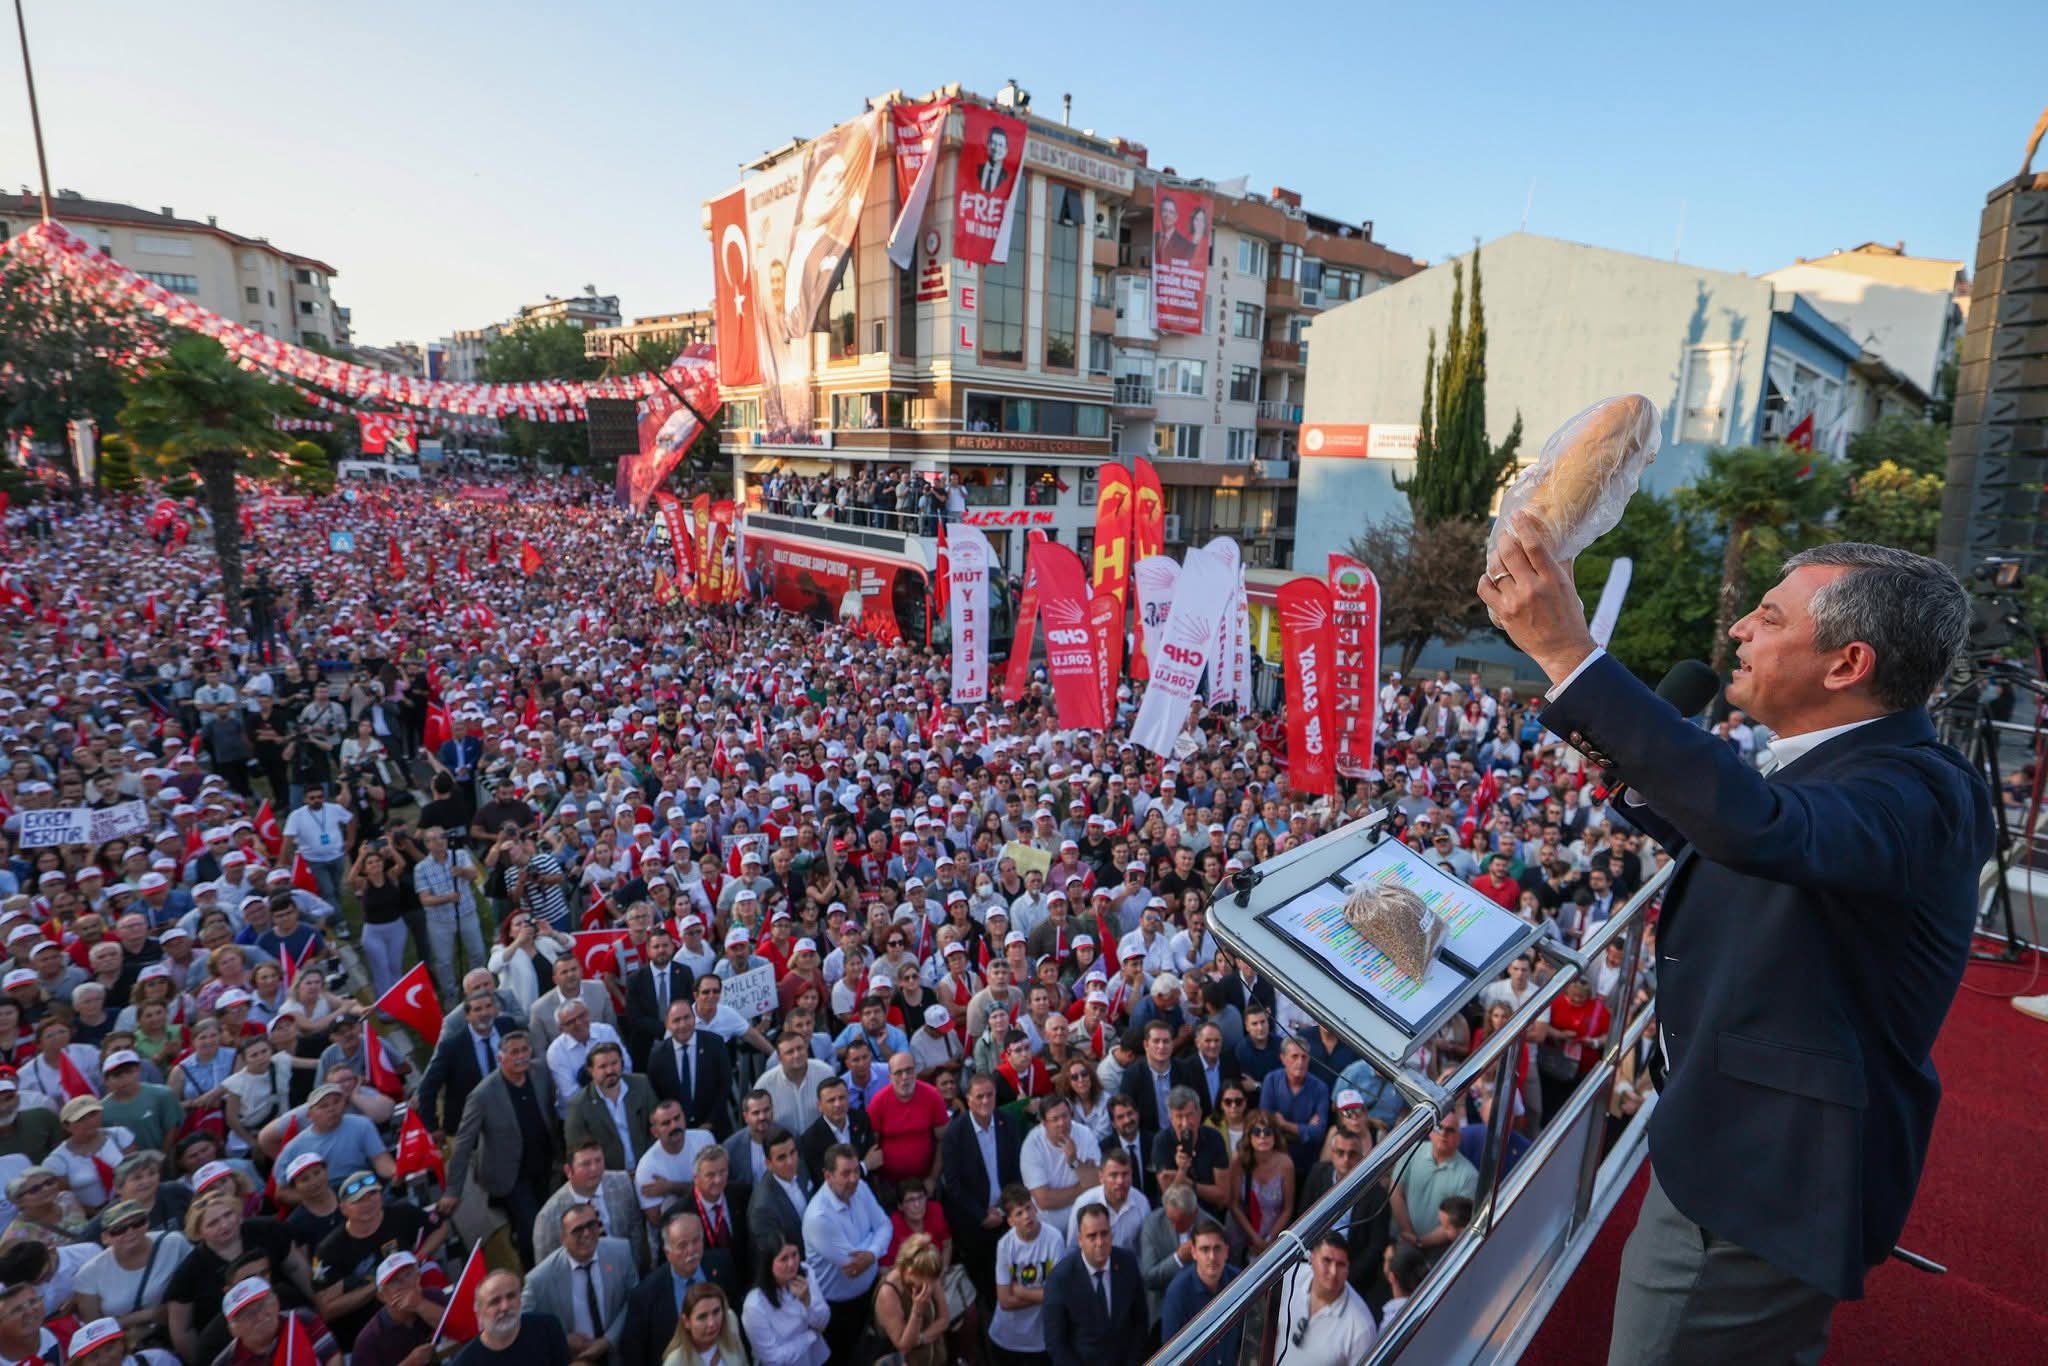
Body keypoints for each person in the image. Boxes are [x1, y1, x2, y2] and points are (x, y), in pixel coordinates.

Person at [1485, 530, 1994, 1359]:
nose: (1739, 631)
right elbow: (1766, 850)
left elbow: (1766, 830)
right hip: (1753, 1155)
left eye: (1769, 616)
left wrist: (1573, 657)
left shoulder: (1920, 790)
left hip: (1758, 1181)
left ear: (1847, 664)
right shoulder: (1860, 770)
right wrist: (1629, 758)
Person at [441, 1029, 558, 1268]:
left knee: (551, 1220)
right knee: (530, 1228)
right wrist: (453, 1190)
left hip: (546, 1164)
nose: (521, 1057)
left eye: (524, 1050)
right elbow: (463, 1142)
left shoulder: (542, 1073)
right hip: (510, 1174)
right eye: (514, 1052)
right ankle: (532, 1271)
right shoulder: (483, 1095)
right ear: (500, 1058)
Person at [800, 1144, 891, 1359]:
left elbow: (885, 1225)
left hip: (870, 1295)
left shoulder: (862, 1189)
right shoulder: (818, 1216)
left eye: (856, 1171)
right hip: (839, 1311)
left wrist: (871, 1253)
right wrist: (874, 1242)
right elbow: (853, 1264)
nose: (854, 1179)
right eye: (846, 1173)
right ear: (828, 1176)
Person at [522, 1204, 634, 1363]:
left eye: (591, 1225)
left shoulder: (621, 1251)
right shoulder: (540, 1279)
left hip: (620, 1354)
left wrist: (608, 1340)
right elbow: (524, 1325)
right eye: (577, 1230)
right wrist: (562, 1339)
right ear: (563, 1239)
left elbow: (633, 1301)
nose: (587, 1233)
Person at [1042, 1202, 1145, 1366]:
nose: (1100, 1242)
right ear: (1080, 1240)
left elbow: (1140, 1322)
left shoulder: (1128, 1264)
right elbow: (1056, 1342)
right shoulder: (1061, 1279)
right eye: (1092, 1236)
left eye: (1104, 1233)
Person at [621, 1211, 710, 1366]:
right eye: (682, 1245)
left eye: (696, 1241)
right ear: (668, 1252)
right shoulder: (645, 1295)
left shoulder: (722, 1266)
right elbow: (634, 1355)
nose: (691, 1250)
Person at [990, 1183, 1064, 1366]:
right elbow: (1005, 1301)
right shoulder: (1005, 1245)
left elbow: (1058, 1295)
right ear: (1010, 1221)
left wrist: (1022, 1292)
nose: (1026, 1216)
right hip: (1007, 1338)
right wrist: (1043, 1295)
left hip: (1041, 1340)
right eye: (1019, 1213)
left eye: (1028, 1208)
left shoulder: (1054, 1238)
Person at [1273, 1233, 1377, 1363]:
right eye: (1327, 1261)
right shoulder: (1290, 1278)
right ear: (1312, 1259)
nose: (1333, 1272)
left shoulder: (1362, 1327)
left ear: (1348, 1268)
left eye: (1341, 1264)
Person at [1389, 1110, 1476, 1254]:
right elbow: (1395, 1192)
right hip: (1401, 1241)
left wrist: (1420, 1242)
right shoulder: (1411, 1151)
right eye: (1439, 1127)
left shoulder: (1469, 1176)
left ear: (1459, 1138)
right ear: (1430, 1132)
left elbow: (1457, 1222)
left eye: (1450, 1130)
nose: (1443, 1133)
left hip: (1440, 1251)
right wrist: (1407, 1233)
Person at [564, 1039, 655, 1174]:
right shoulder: (579, 1105)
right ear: (590, 1070)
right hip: (610, 1177)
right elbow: (577, 1149)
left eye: (614, 1063)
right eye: (602, 1066)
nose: (610, 1070)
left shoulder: (641, 1085)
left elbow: (657, 1125)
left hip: (649, 1168)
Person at [1158, 1217, 1241, 1365]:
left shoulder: (1239, 1282)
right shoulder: (1178, 1293)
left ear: (1226, 1251)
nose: (1212, 1257)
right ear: (1194, 1252)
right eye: (1205, 1249)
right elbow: (1171, 1354)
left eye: (1217, 1248)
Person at [648, 998, 734, 1139]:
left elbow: (725, 1084)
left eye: (687, 1018)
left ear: (694, 1019)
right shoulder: (658, 1055)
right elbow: (656, 1093)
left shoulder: (715, 1043)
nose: (683, 1025)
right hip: (677, 1134)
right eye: (676, 1020)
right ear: (667, 1025)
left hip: (716, 1129)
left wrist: (710, 1122)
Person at [741, 1235, 831, 1366]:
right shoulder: (754, 1306)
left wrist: (807, 1301)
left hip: (815, 1357)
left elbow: (824, 1321)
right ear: (768, 1264)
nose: (792, 1264)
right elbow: (773, 1359)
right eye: (784, 1259)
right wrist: (810, 1335)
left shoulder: (806, 1272)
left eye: (794, 1254)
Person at [213, 1275, 341, 1366]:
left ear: (276, 1302)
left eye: (262, 1306)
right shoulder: (225, 1362)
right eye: (247, 1315)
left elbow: (334, 1360)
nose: (259, 1317)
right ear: (233, 1330)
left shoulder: (303, 1321)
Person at [869, 1049, 949, 1192]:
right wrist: (877, 1187)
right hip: (889, 1184)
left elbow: (943, 1140)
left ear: (916, 1071)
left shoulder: (933, 1096)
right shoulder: (878, 1101)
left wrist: (932, 1178)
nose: (905, 1077)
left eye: (909, 1070)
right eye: (898, 1073)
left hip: (925, 1181)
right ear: (890, 1076)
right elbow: (872, 1146)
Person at [351, 1251, 448, 1366]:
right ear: (382, 1296)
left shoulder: (434, 1296)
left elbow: (458, 1329)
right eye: (394, 1281)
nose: (405, 1284)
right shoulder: (369, 1340)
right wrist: (409, 1363)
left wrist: (420, 1305)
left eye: (408, 1274)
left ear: (418, 1276)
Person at [456, 1269, 572, 1365]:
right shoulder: (465, 1362)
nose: (505, 1306)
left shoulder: (547, 1328)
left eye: (511, 1296)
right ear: (479, 1312)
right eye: (495, 1301)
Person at [870, 1230, 950, 1366]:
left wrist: (922, 1338)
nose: (932, 1285)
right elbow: (904, 1345)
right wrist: (917, 1311)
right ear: (910, 1271)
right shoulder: (888, 1293)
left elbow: (944, 1319)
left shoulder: (929, 1274)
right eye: (927, 1279)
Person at [661, 1281, 750, 1366]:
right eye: (702, 1317)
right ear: (686, 1322)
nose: (711, 1323)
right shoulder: (675, 1362)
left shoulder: (732, 1337)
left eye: (716, 1312)